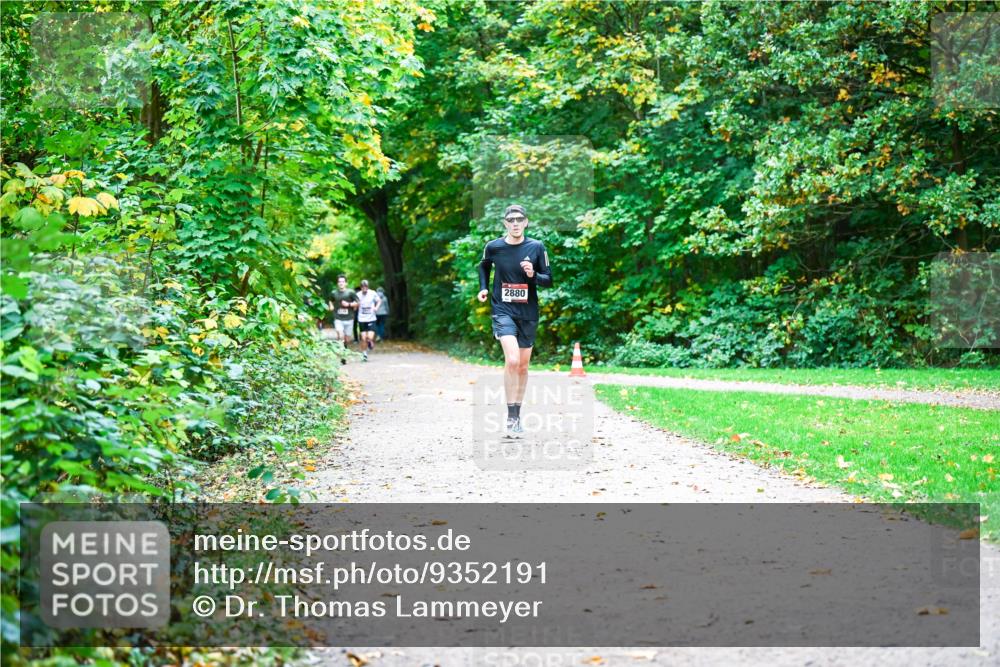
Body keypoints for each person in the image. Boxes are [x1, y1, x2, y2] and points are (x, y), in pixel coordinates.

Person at [476, 204, 552, 437]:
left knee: (522, 366)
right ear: (505, 223)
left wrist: (533, 274)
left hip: (528, 313)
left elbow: (548, 280)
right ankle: (510, 418)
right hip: (502, 310)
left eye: (520, 219)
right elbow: (483, 266)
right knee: (512, 360)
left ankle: (517, 415)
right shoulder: (494, 247)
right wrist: (483, 288)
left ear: (526, 222)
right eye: (511, 220)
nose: (516, 223)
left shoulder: (537, 247)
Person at [328, 275, 358, 364]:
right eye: (339, 282)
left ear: (346, 283)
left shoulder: (351, 292)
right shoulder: (334, 293)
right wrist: (331, 305)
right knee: (340, 336)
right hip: (338, 318)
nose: (341, 283)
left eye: (343, 281)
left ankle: (344, 351)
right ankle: (342, 355)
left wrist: (348, 305)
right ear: (337, 283)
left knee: (346, 339)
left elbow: (357, 303)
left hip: (349, 318)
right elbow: (330, 300)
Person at [356, 279, 382, 361]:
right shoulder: (358, 295)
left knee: (369, 337)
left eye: (365, 287)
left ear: (368, 287)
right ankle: (364, 354)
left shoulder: (373, 293)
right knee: (363, 338)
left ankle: (370, 342)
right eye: (362, 287)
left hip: (371, 318)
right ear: (361, 288)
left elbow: (379, 301)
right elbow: (354, 304)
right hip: (361, 319)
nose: (364, 289)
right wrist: (355, 306)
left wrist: (376, 307)